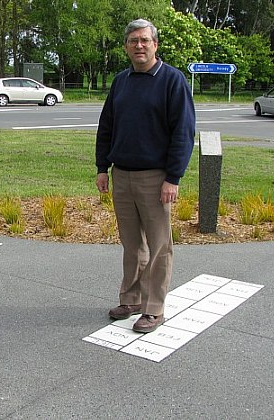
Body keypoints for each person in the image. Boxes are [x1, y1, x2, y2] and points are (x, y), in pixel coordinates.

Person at [95, 19, 195, 333]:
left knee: (159, 246)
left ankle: (154, 308)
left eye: (145, 40)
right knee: (131, 245)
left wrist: (173, 178)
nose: (139, 45)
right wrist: (102, 167)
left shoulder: (172, 81)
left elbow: (183, 133)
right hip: (122, 175)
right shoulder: (121, 81)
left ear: (155, 44)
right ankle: (131, 299)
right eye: (133, 41)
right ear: (126, 47)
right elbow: (107, 127)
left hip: (156, 178)